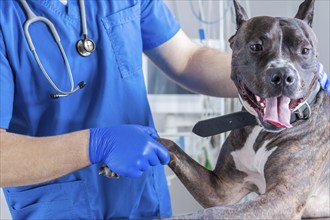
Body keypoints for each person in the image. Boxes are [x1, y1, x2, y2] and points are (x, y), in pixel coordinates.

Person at [0, 0, 236, 219]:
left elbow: (187, 58)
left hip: (143, 201)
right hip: (61, 209)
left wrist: (257, 75)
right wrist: (95, 145)